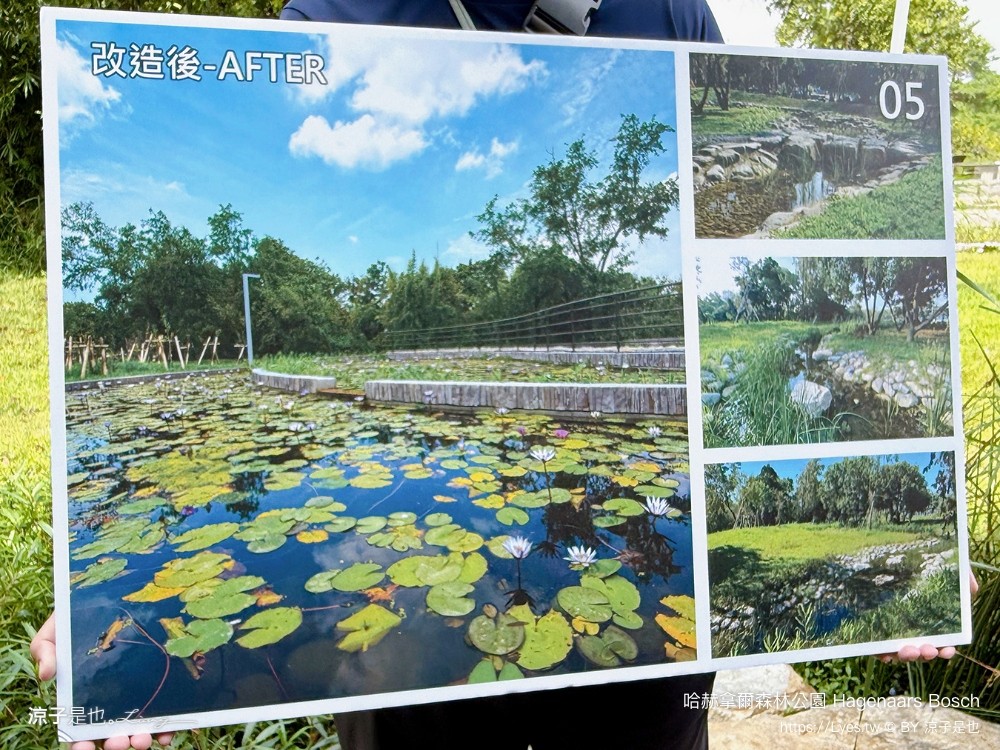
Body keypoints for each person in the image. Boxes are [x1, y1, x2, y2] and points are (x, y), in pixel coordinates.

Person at [31, 2, 975, 748]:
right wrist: (96, 615)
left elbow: (706, 246)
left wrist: (872, 601)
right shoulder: (337, 12)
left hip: (645, 705)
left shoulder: (673, 12)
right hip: (419, 718)